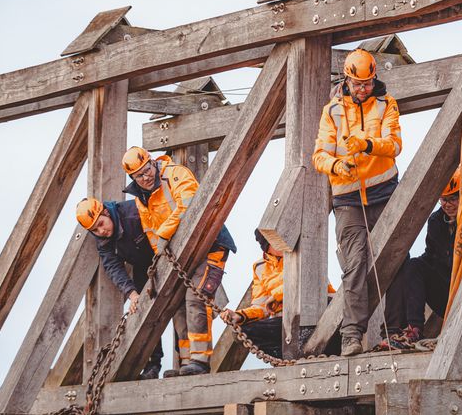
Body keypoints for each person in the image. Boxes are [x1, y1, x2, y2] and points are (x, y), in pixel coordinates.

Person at [312, 48, 402, 356]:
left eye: (366, 83)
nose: (362, 89)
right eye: (356, 84)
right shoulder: (332, 112)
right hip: (348, 198)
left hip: (384, 191)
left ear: (373, 78)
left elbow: (394, 145)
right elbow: (319, 156)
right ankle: (352, 335)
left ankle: (400, 329)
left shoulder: (386, 104)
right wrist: (336, 166)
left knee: (396, 256)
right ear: (347, 80)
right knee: (354, 265)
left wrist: (367, 144)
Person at [122, 146, 237, 375]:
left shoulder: (176, 174)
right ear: (133, 177)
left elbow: (189, 205)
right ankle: (187, 363)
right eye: (139, 176)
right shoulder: (141, 199)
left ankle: (200, 360)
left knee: (196, 298)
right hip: (180, 255)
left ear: (152, 162)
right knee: (179, 306)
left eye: (147, 171)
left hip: (209, 245)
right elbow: (150, 230)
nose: (145, 178)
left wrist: (165, 234)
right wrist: (160, 255)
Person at [381, 171, 462, 347]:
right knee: (414, 265)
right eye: (443, 199)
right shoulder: (437, 221)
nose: (447, 204)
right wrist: (412, 276)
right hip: (446, 294)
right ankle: (413, 329)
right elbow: (430, 258)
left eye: (452, 198)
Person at [76, 197, 163, 380]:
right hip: (142, 268)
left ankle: (187, 362)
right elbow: (113, 267)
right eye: (95, 230)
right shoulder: (102, 240)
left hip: (163, 255)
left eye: (101, 224)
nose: (101, 231)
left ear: (106, 212)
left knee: (178, 305)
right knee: (142, 311)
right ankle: (152, 365)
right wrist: (131, 294)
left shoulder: (132, 211)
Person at [224, 230, 337, 358]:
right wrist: (239, 315)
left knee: (324, 311)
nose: (280, 243)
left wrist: (276, 295)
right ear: (267, 247)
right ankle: (285, 358)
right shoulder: (260, 267)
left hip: (315, 310)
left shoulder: (302, 253)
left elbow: (312, 280)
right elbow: (261, 306)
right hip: (285, 321)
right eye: (274, 241)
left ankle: (308, 348)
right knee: (244, 332)